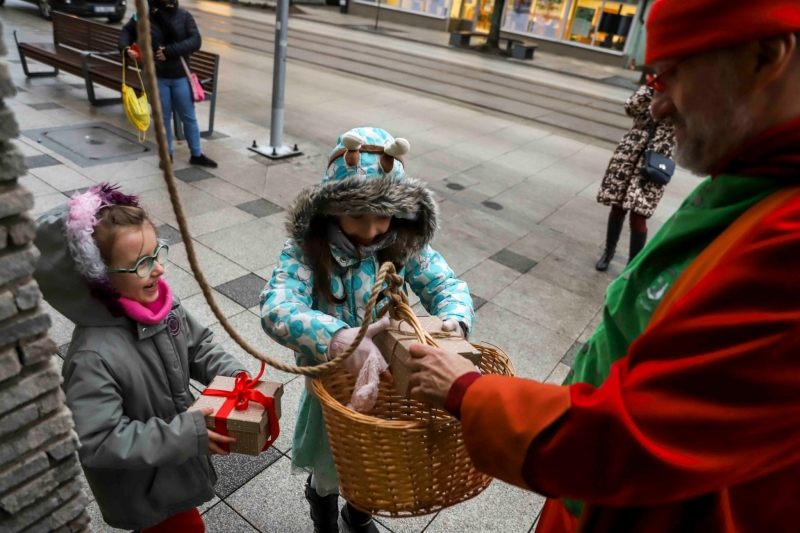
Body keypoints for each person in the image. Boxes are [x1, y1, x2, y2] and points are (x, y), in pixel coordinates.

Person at [405, 1, 800, 532]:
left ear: (767, 55)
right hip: (595, 495)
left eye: (672, 73)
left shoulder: (787, 239)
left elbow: (639, 435)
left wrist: (467, 391)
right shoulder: (754, 177)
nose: (657, 105)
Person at [260, 127, 474, 533]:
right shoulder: (306, 250)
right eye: (358, 215)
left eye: (383, 216)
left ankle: (358, 514)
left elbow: (446, 284)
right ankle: (322, 508)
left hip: (390, 382)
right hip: (334, 387)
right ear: (331, 208)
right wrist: (338, 338)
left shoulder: (403, 245)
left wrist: (455, 318)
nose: (372, 230)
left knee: (377, 463)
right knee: (331, 464)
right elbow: (277, 307)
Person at [34, 184, 247, 532]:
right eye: (142, 264)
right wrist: (184, 435)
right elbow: (99, 440)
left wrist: (233, 376)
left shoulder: (163, 306)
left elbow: (199, 347)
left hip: (173, 462)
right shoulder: (92, 356)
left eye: (158, 253)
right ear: (98, 280)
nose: (159, 270)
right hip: (143, 487)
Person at [119, 0, 217, 168]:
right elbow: (127, 31)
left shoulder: (183, 16)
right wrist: (125, 48)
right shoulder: (143, 16)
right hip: (157, 76)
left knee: (189, 117)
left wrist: (170, 52)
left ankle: (197, 154)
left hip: (180, 76)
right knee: (163, 118)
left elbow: (195, 41)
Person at [595, 84, 676, 271]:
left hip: (655, 161)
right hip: (628, 156)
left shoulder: (685, 96)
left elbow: (686, 125)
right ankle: (608, 252)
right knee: (618, 206)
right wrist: (652, 92)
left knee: (639, 214)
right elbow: (630, 108)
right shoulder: (650, 89)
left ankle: (632, 265)